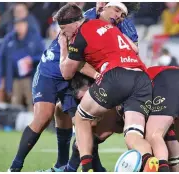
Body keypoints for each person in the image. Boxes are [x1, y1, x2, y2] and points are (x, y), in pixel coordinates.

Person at [8, 2, 140, 172]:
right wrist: (97, 75)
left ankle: (72, 167)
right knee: (44, 116)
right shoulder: (86, 18)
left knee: (82, 119)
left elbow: (133, 51)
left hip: (76, 70)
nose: (101, 4)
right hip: (53, 69)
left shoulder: (122, 23)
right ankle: (15, 167)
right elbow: (71, 65)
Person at [56, 3, 157, 172]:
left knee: (82, 119)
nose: (64, 34)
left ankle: (87, 168)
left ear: (74, 23)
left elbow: (66, 73)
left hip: (116, 75)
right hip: (141, 78)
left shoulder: (81, 33)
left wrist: (63, 47)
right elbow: (134, 49)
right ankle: (149, 161)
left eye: (64, 30)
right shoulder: (111, 28)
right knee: (133, 134)